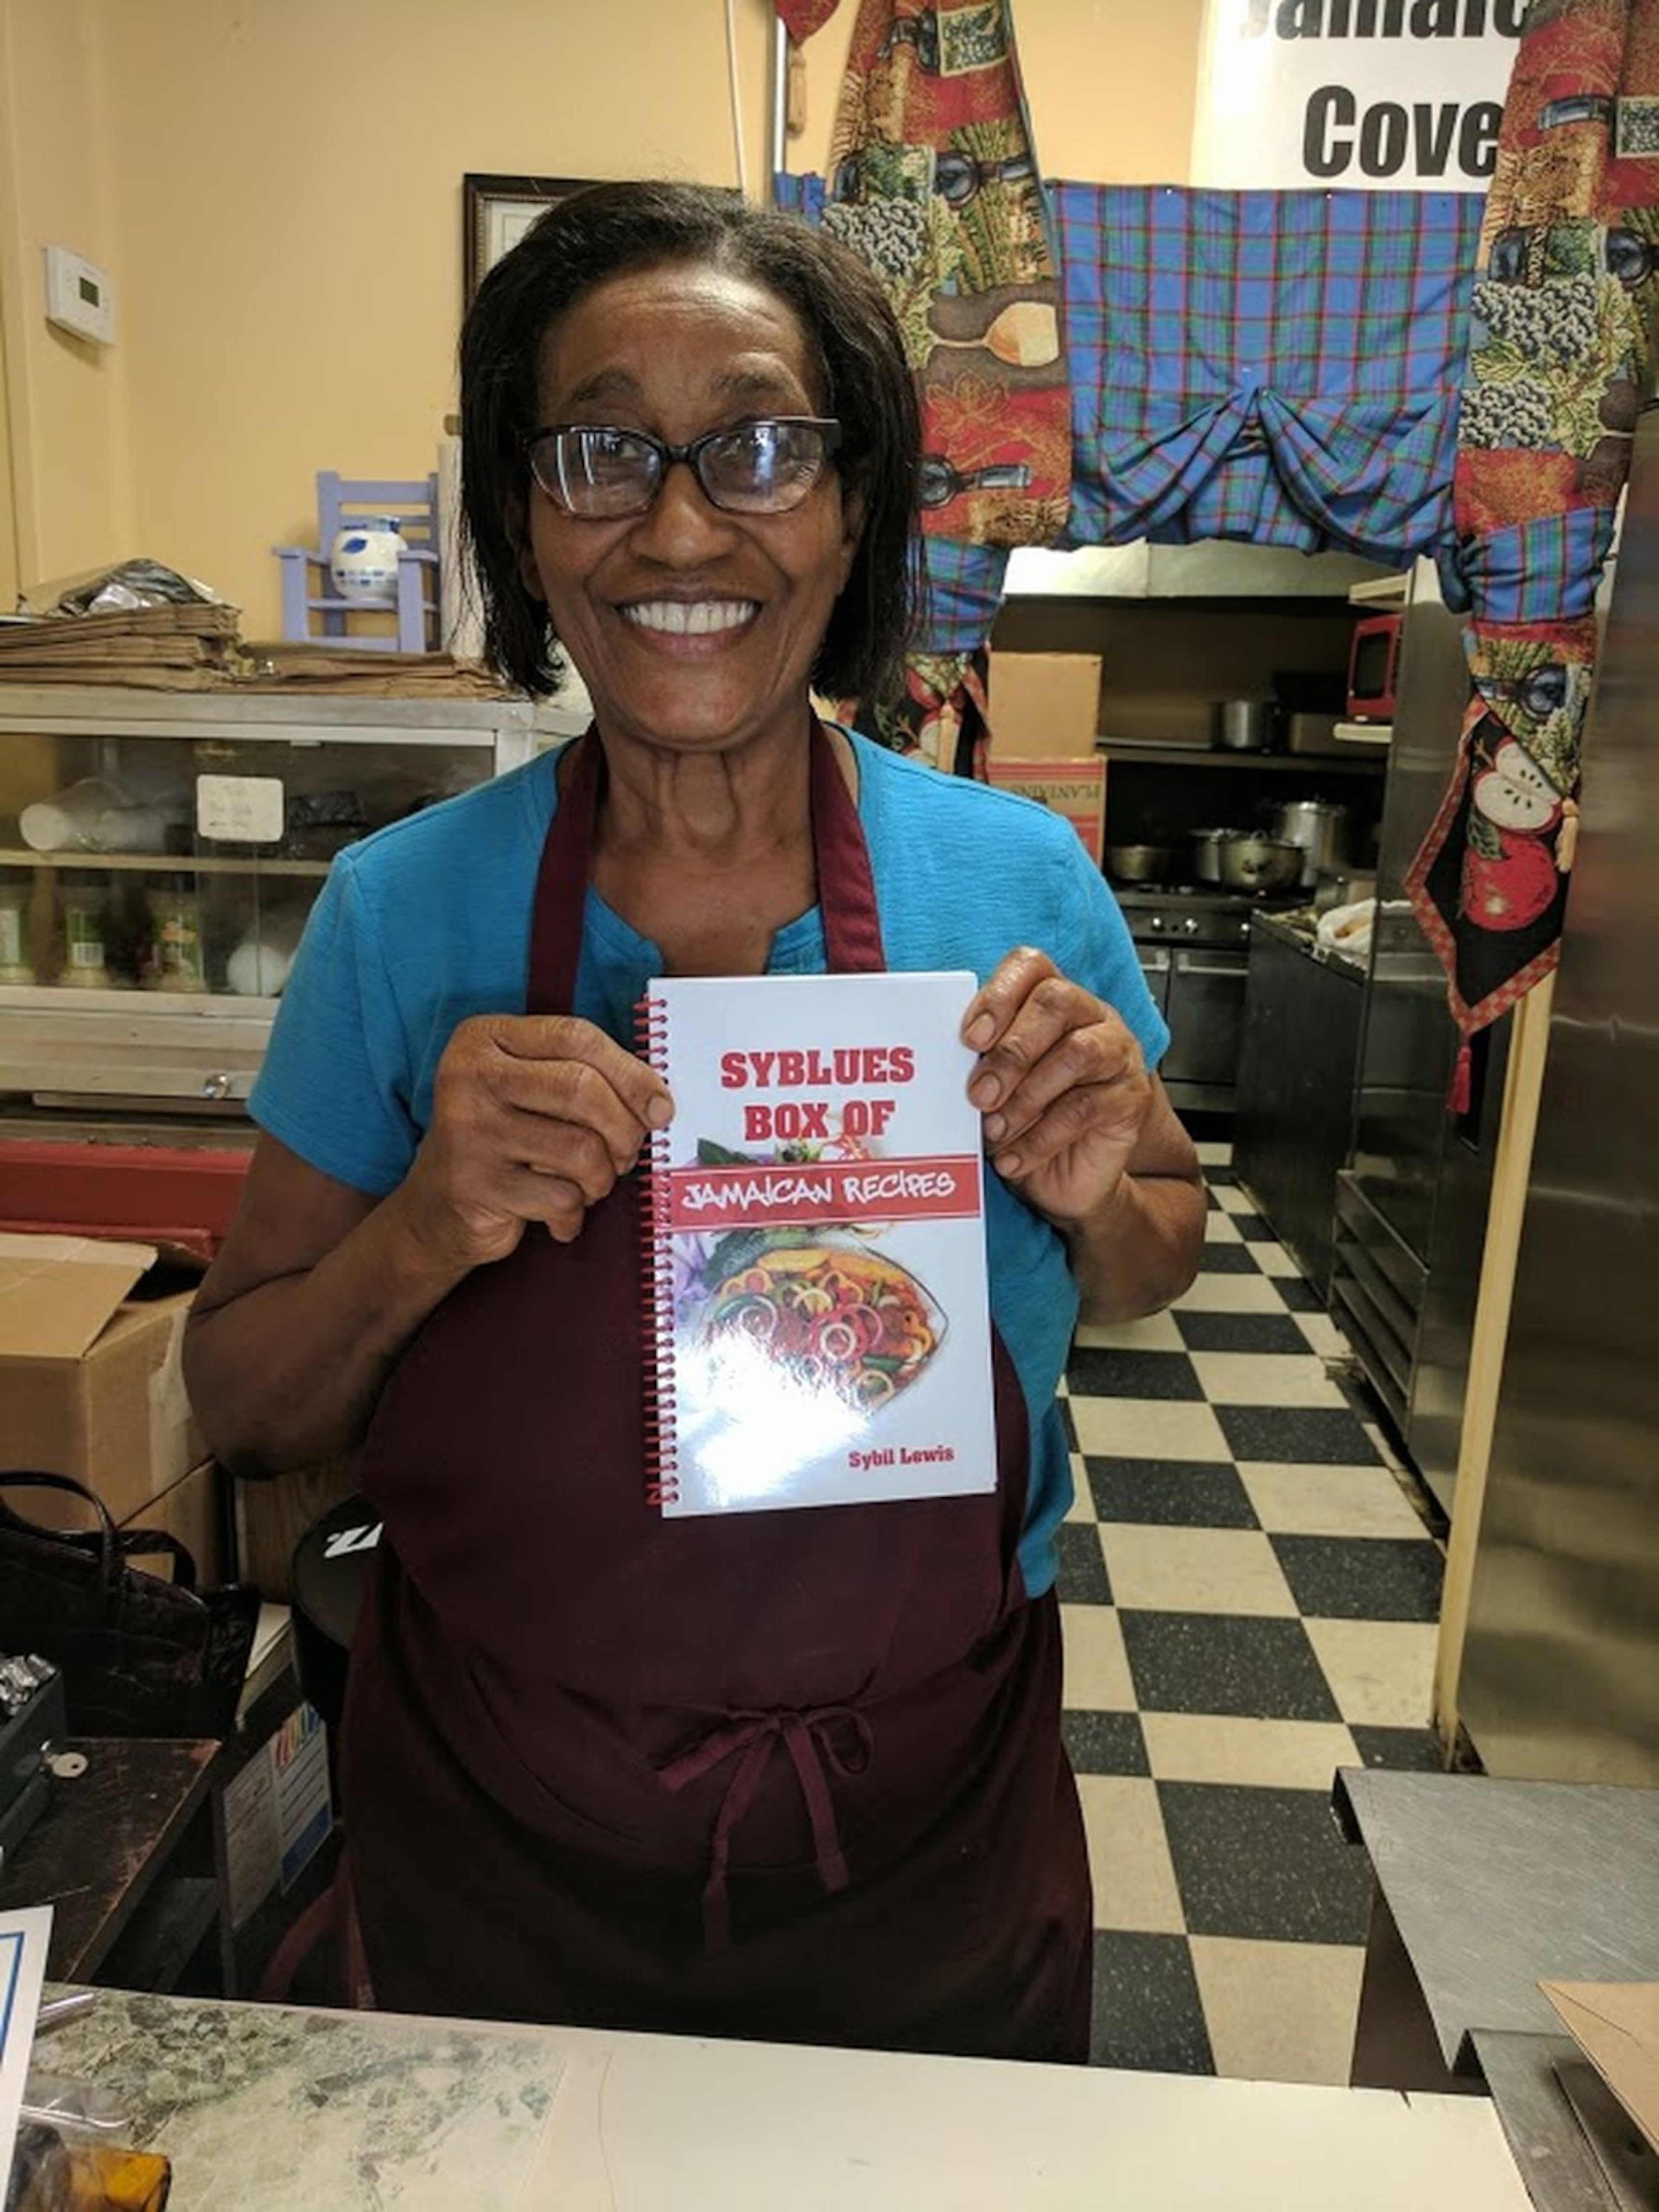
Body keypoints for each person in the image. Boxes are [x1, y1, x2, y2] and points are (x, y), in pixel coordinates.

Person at [184, 180, 1206, 2063]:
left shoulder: (1015, 878)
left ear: (854, 502)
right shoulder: (405, 914)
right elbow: (243, 1400)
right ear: (518, 512)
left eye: (758, 446)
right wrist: (424, 1223)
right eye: (599, 452)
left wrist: (1096, 1184)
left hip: (918, 1833)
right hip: (499, 1838)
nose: (678, 526)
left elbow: (1158, 1241)